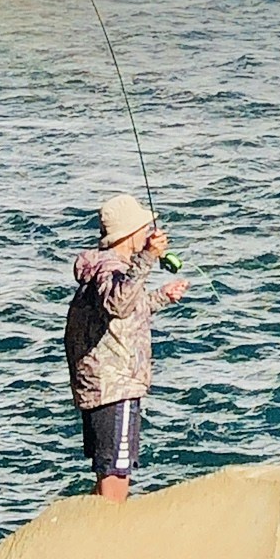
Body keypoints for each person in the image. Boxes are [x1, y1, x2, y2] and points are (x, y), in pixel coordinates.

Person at [65, 194, 186, 501]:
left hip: (104, 385)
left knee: (109, 472)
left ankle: (92, 531)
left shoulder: (106, 270)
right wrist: (147, 258)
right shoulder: (110, 269)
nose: (149, 234)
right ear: (130, 234)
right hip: (114, 386)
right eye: (145, 229)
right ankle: (108, 539)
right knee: (116, 477)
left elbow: (123, 309)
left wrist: (161, 296)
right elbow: (118, 303)